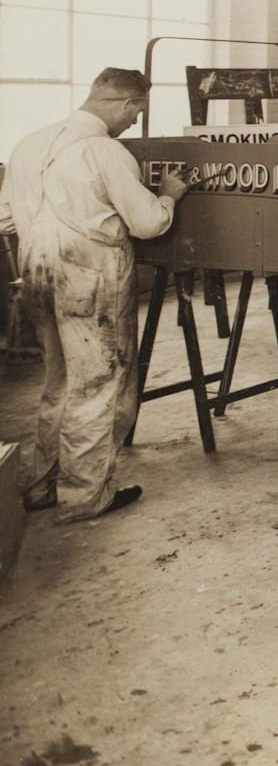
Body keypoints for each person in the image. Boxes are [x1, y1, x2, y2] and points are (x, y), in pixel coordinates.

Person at [0, 68, 189, 522]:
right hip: (89, 274)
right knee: (99, 384)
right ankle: (84, 496)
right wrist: (168, 196)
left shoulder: (29, 144)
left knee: (59, 382)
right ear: (126, 104)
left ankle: (43, 485)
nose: (133, 123)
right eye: (136, 113)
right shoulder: (106, 151)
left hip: (36, 269)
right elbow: (147, 224)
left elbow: (5, 218)